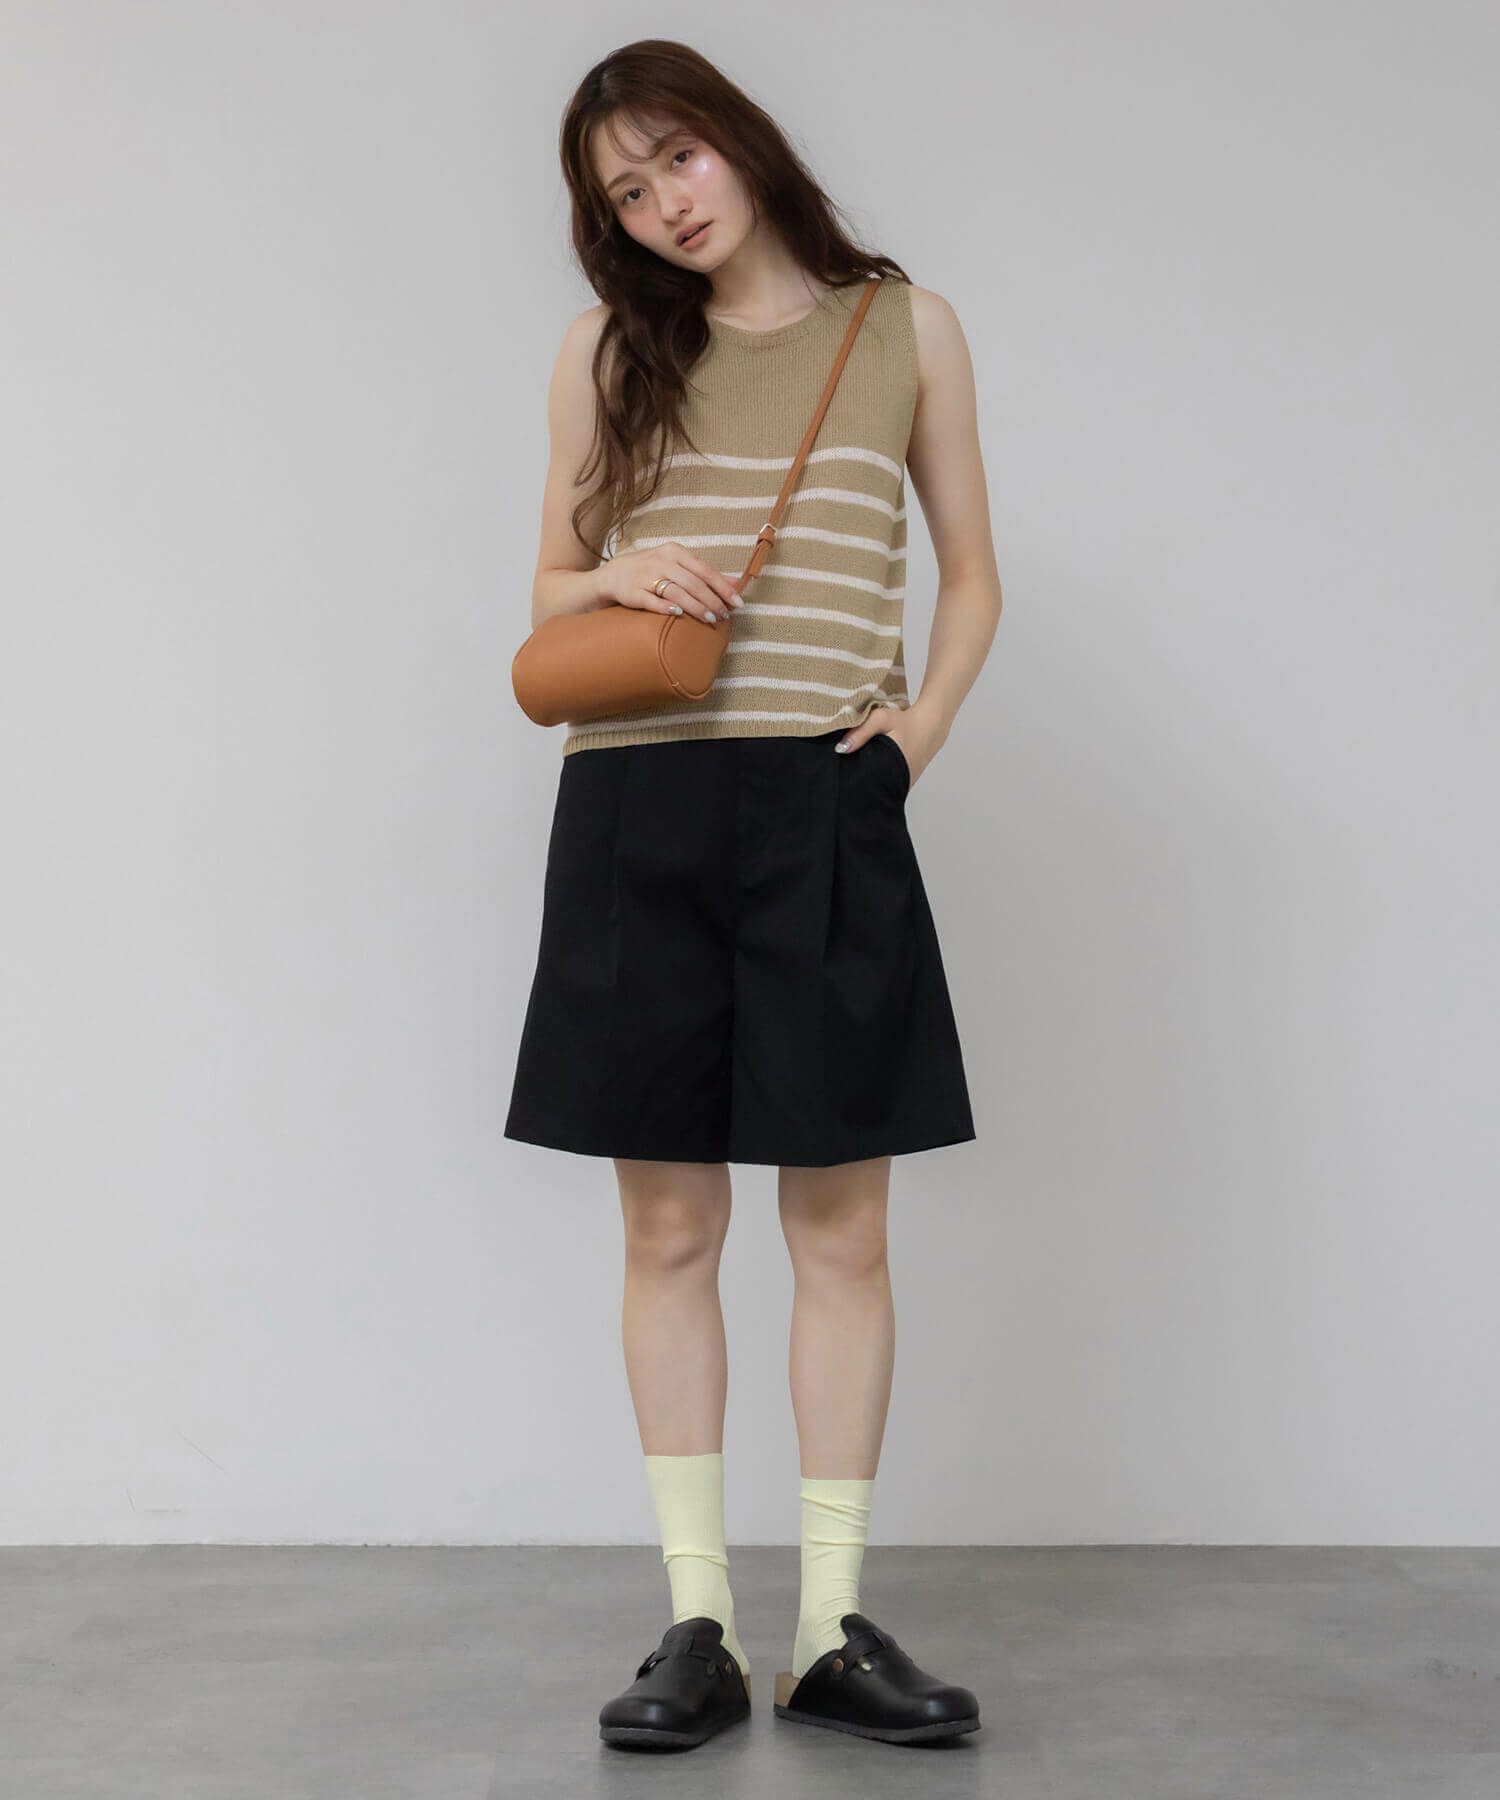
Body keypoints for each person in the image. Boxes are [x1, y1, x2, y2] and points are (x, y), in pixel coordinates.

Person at [504, 39, 1002, 1751]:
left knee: (842, 1230)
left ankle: (832, 1627)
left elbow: (971, 574)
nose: (664, 204)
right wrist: (614, 568)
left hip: (822, 804)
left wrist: (915, 735)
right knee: (668, 1228)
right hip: (637, 803)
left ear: (740, 139)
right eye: (625, 192)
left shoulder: (904, 328)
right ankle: (700, 1625)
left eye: (678, 158)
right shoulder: (605, 353)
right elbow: (549, 588)